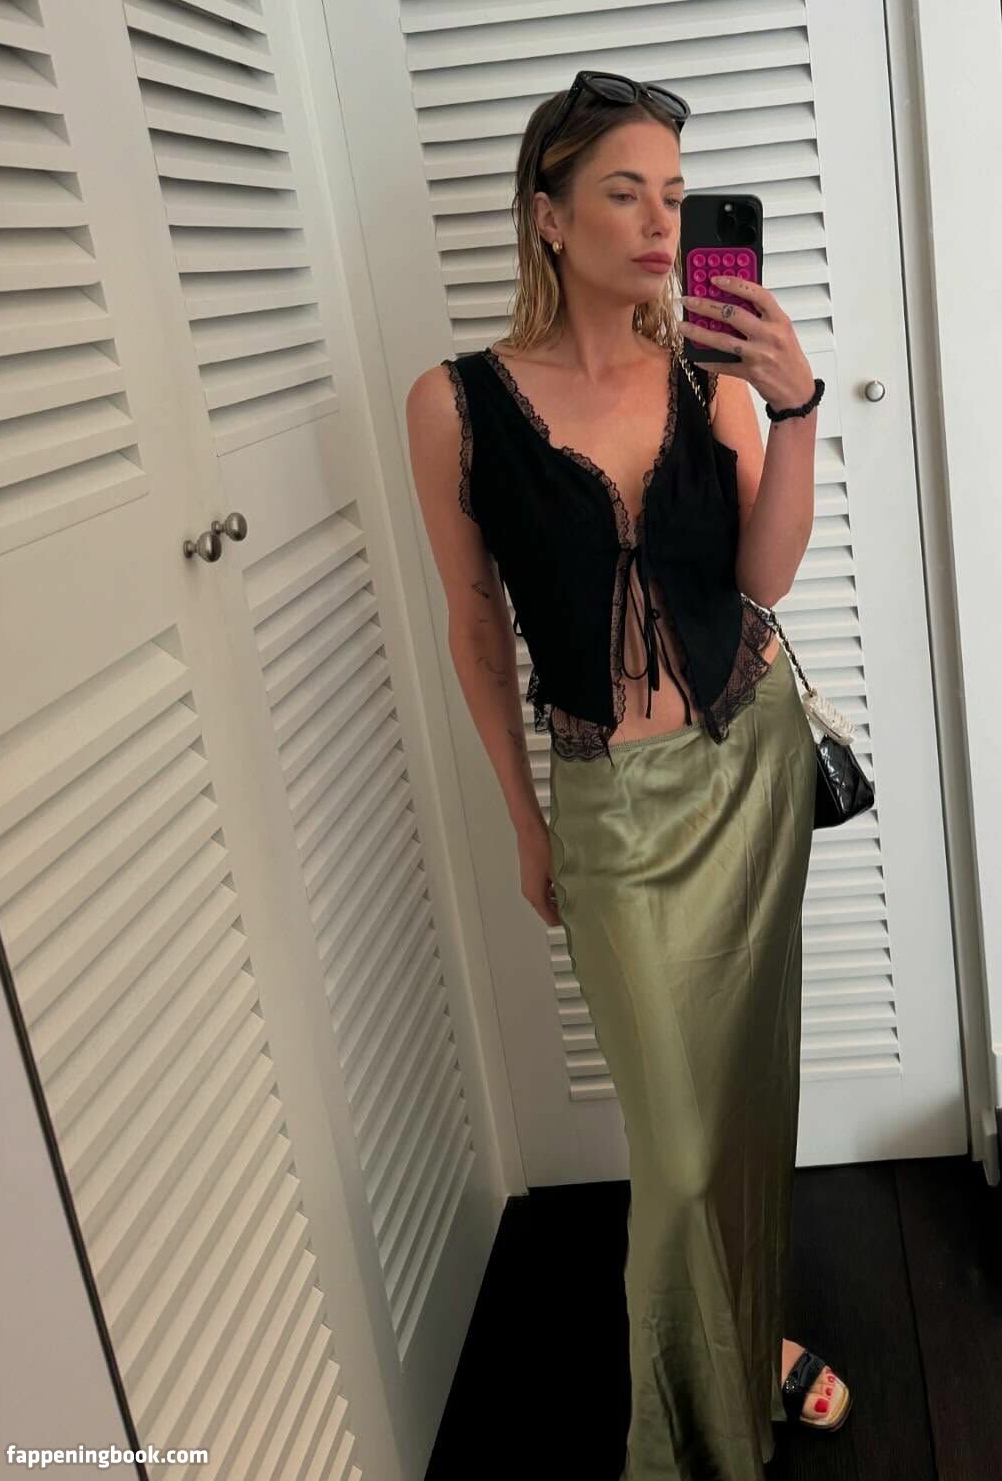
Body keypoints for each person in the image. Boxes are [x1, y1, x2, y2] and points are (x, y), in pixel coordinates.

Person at [406, 71, 853, 1477]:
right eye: (623, 191)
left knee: (742, 1113)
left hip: (750, 774)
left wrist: (795, 408)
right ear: (548, 215)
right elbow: (475, 623)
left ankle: (745, 1342)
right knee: (675, 1155)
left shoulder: (714, 383)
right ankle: (692, 1442)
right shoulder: (456, 403)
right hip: (610, 800)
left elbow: (763, 577)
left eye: (675, 194)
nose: (661, 223)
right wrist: (525, 821)